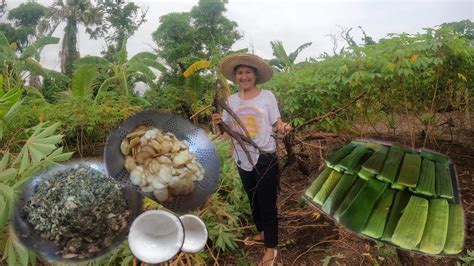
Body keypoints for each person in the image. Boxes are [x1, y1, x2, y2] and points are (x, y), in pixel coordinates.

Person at [212, 53, 291, 266]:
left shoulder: (267, 97)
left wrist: (283, 128)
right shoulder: (231, 100)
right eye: (240, 73)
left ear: (255, 76)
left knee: (267, 203)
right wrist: (218, 122)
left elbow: (277, 123)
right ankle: (264, 232)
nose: (244, 76)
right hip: (241, 158)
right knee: (253, 199)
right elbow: (224, 130)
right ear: (235, 77)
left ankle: (271, 247)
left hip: (265, 156)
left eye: (248, 72)